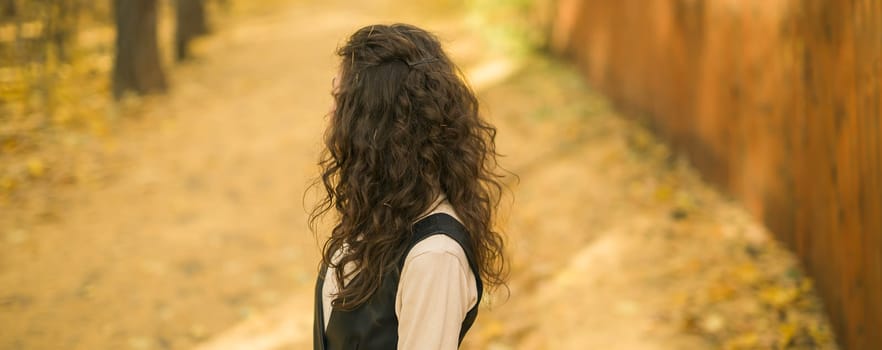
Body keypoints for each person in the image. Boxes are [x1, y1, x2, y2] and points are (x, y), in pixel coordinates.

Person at [310, 23, 507, 350]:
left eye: (341, 99)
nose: (331, 112)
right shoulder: (383, 210)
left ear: (372, 122)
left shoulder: (435, 258)